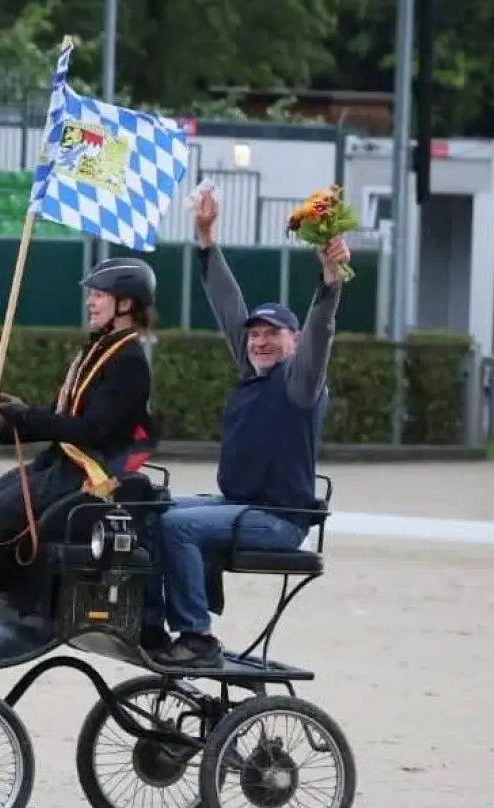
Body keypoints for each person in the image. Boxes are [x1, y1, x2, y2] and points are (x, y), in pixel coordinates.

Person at [0, 256, 161, 645]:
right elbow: (58, 419)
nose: (90, 302)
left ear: (126, 303)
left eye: (100, 295)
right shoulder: (97, 351)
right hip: (58, 466)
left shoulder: (129, 363)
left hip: (85, 479)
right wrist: (4, 425)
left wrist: (23, 417)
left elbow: (91, 431)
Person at [144, 185, 350, 669]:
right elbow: (228, 306)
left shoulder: (299, 383)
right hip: (238, 504)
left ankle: (196, 636)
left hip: (278, 520)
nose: (258, 342)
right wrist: (206, 238)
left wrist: (330, 281)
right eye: (254, 335)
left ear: (293, 341)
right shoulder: (253, 371)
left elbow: (320, 332)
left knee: (175, 525)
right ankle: (150, 625)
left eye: (271, 334)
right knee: (147, 509)